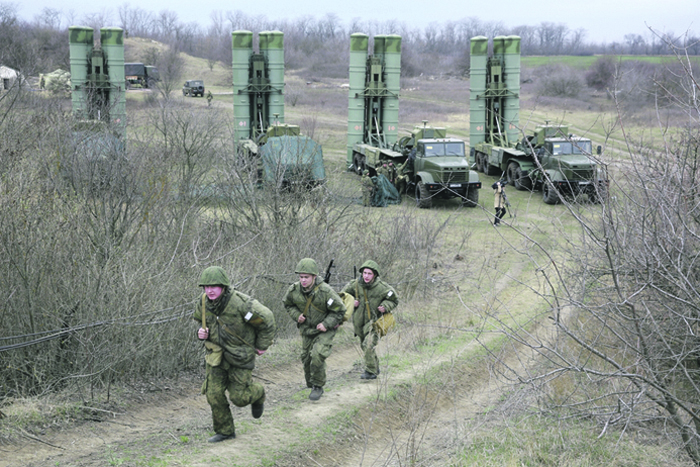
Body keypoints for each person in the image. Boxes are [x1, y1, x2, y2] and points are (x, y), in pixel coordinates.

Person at [194, 266, 276, 443]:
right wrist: (201, 333)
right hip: (216, 356)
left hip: (240, 356)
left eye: (214, 286)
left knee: (239, 398)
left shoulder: (240, 303)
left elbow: (267, 319)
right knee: (213, 394)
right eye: (206, 287)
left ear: (223, 286)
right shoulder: (203, 303)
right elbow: (202, 324)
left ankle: (258, 393)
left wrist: (262, 345)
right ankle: (225, 431)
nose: (209, 290)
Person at [283, 258, 346, 400]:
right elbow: (288, 305)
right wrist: (296, 315)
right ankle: (311, 384)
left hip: (324, 330)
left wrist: (326, 323)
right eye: (301, 277)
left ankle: (318, 386)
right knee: (306, 359)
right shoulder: (294, 290)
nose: (303, 280)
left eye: (306, 277)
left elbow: (340, 310)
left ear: (314, 277)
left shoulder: (325, 291)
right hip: (307, 330)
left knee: (317, 355)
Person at [341, 260, 399, 380]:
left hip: (374, 323)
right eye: (365, 273)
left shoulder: (382, 288)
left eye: (369, 274)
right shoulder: (355, 285)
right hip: (359, 323)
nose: (366, 276)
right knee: (365, 346)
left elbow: (393, 299)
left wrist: (385, 306)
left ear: (375, 275)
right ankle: (375, 367)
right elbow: (341, 296)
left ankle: (370, 371)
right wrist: (351, 301)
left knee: (368, 345)